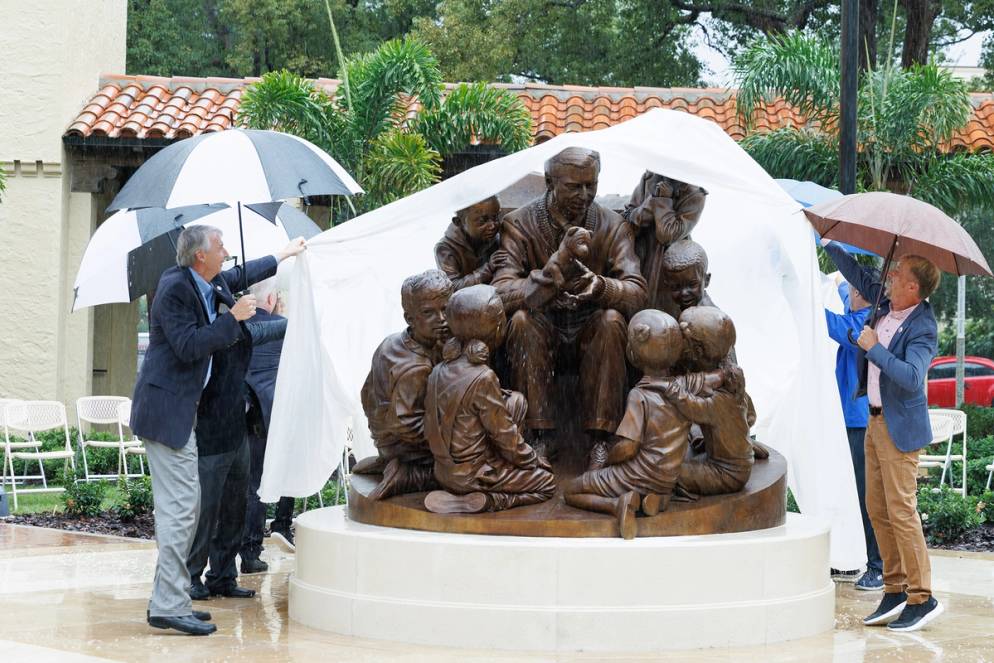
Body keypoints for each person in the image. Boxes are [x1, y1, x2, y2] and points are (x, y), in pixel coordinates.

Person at [131, 226, 265, 636]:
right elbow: (189, 346)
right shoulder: (174, 288)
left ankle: (167, 600)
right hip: (165, 412)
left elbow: (242, 277)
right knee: (181, 510)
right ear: (199, 256)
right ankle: (170, 604)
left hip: (180, 413)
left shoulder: (207, 281)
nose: (227, 253)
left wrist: (286, 255)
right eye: (221, 247)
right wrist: (233, 319)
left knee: (183, 509)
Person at [492, 147, 647, 469]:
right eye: (574, 186)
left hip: (590, 330)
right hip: (541, 328)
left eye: (591, 185)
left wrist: (602, 288)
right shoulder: (519, 225)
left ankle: (600, 441)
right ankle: (539, 437)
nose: (585, 194)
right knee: (521, 321)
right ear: (550, 181)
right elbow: (500, 292)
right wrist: (548, 279)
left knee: (612, 321)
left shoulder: (612, 225)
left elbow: (637, 292)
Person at [824, 241, 943, 633]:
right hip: (874, 423)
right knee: (877, 509)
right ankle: (894, 588)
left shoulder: (923, 326)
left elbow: (911, 378)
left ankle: (922, 597)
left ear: (914, 288)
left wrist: (874, 349)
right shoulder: (885, 303)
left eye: (898, 275)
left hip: (899, 428)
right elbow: (857, 274)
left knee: (902, 512)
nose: (890, 278)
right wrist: (828, 242)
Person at [422, 284, 556, 514]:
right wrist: (532, 459)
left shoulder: (438, 371)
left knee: (515, 400)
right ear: (495, 329)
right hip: (474, 475)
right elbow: (505, 435)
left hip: (442, 472)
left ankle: (465, 492)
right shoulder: (483, 377)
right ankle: (490, 501)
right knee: (546, 483)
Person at [355, 270, 453, 499]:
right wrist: (450, 435)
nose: (441, 319)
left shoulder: (393, 342)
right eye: (429, 313)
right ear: (410, 318)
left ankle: (388, 459)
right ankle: (408, 475)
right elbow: (403, 423)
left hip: (386, 441)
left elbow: (365, 393)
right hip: (407, 447)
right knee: (470, 468)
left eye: (446, 309)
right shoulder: (416, 368)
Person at [825, 273, 883, 591]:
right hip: (845, 420)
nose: (846, 294)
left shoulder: (864, 325)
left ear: (861, 294)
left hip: (859, 422)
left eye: (851, 291)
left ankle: (879, 566)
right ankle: (854, 557)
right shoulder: (858, 306)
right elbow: (844, 288)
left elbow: (829, 324)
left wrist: (803, 294)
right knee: (845, 493)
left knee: (865, 496)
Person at [239, 278, 296, 572]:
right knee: (258, 485)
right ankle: (251, 551)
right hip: (267, 418)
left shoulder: (237, 327)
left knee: (238, 484)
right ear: (272, 298)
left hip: (237, 414)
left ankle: (230, 550)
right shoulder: (282, 328)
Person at [622, 172, 707, 315]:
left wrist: (663, 200)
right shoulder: (650, 177)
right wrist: (651, 203)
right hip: (640, 252)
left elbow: (668, 235)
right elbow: (629, 218)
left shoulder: (695, 193)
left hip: (672, 262)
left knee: (665, 315)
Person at [435, 196, 506, 290]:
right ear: (459, 222)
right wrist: (487, 269)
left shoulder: (495, 237)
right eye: (482, 221)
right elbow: (452, 287)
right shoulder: (445, 249)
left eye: (495, 217)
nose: (492, 226)